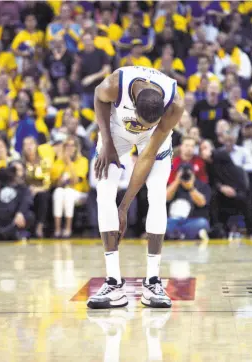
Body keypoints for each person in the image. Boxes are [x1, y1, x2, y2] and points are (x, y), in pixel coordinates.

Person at [87, 66, 184, 309]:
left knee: (158, 193)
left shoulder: (175, 103)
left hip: (154, 141)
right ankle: (113, 283)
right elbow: (99, 97)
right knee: (103, 193)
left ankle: (152, 281)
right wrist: (106, 141)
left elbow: (147, 155)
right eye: (140, 123)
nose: (140, 126)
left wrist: (124, 207)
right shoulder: (114, 85)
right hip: (116, 131)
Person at [200, 139, 252, 236]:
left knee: (244, 199)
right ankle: (217, 230)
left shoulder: (222, 155)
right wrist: (221, 187)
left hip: (237, 189)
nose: (204, 151)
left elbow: (217, 154)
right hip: (221, 192)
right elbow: (212, 182)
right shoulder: (208, 166)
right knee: (213, 196)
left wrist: (211, 152)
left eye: (206, 147)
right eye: (201, 149)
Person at [50, 136, 89, 238]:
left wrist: (69, 163)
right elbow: (56, 183)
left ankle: (68, 228)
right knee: (58, 192)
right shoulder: (58, 162)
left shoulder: (82, 160)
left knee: (68, 193)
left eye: (72, 145)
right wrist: (63, 163)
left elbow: (76, 181)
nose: (70, 148)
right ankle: (58, 229)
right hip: (64, 192)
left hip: (80, 193)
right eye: (67, 145)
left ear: (76, 148)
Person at [166, 163, 211, 240]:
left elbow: (202, 203)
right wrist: (176, 182)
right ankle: (185, 235)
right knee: (160, 223)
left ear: (193, 174)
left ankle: (176, 235)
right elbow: (165, 198)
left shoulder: (202, 186)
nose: (185, 176)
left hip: (191, 221)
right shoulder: (173, 185)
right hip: (173, 221)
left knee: (203, 223)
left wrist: (190, 188)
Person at [22, 136, 52, 238]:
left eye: (31, 144)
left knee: (43, 196)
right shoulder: (20, 163)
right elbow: (19, 181)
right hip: (25, 190)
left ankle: (39, 226)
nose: (29, 147)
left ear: (36, 146)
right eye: (26, 144)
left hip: (41, 190)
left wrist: (37, 189)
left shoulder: (44, 162)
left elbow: (47, 184)